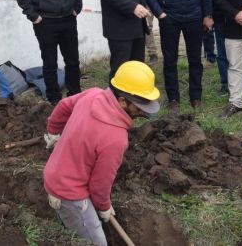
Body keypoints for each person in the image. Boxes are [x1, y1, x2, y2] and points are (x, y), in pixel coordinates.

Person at [43, 61, 160, 246]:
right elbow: (99, 185)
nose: (143, 111)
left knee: (74, 220)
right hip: (69, 191)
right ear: (122, 100)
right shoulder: (116, 139)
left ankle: (68, 220)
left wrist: (53, 131)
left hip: (54, 171)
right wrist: (104, 207)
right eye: (139, 105)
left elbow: (64, 105)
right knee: (96, 241)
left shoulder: (93, 94)